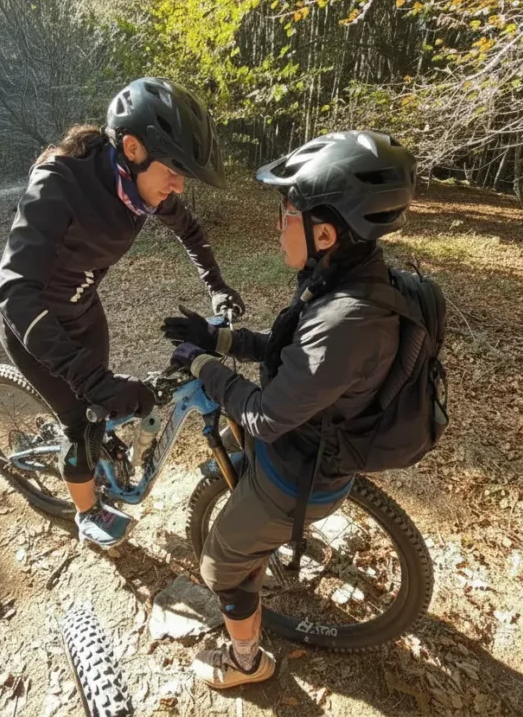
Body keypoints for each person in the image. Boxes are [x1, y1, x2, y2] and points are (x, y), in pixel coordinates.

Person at [161, 131, 417, 689]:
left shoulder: (344, 323)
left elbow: (262, 416)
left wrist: (203, 367)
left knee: (219, 562)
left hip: (296, 473)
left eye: (285, 215)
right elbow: (286, 352)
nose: (278, 227)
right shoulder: (347, 281)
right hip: (308, 446)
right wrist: (216, 339)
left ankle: (247, 663)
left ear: (323, 232)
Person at [0, 77, 245, 549]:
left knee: (104, 403)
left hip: (84, 310)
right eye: (174, 170)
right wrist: (93, 383)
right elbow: (13, 291)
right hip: (34, 326)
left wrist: (218, 287)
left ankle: (98, 439)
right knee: (84, 422)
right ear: (132, 147)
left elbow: (190, 231)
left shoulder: (142, 188)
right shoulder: (59, 184)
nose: (179, 184)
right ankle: (86, 512)